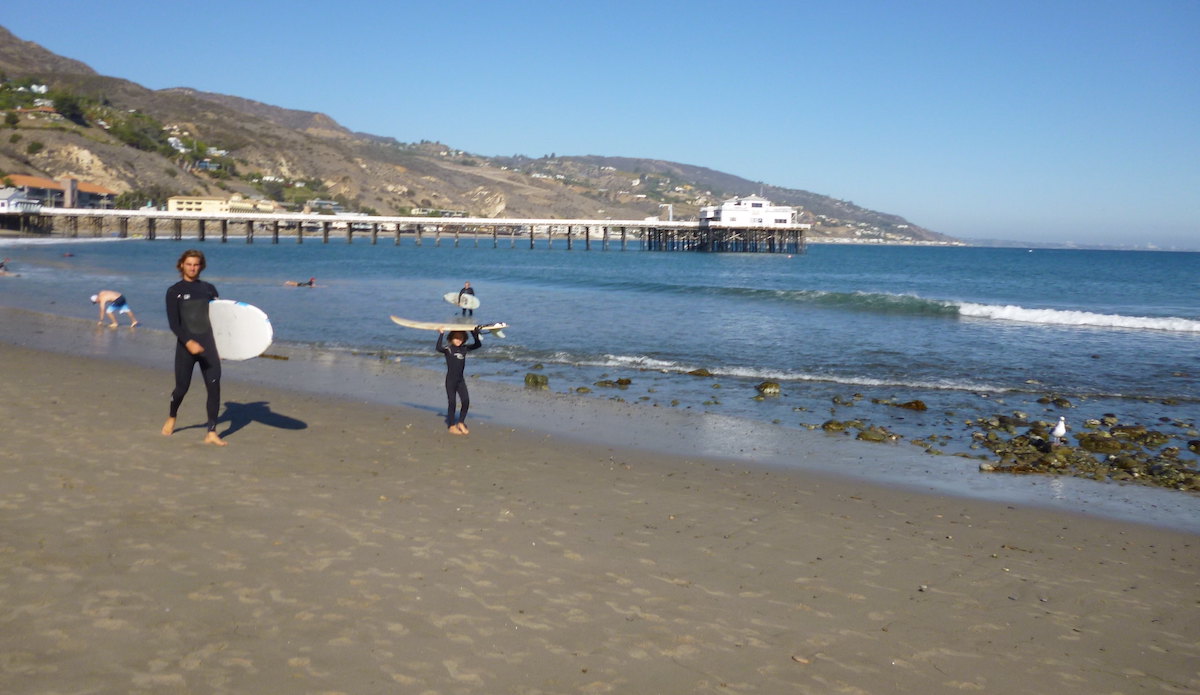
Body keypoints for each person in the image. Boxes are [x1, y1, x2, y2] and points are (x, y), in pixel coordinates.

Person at [162, 249, 226, 446]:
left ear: (201, 266)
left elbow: (219, 320)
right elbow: (174, 323)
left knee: (214, 387)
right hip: (186, 347)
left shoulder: (209, 289)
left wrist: (224, 347)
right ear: (182, 265)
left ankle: (212, 431)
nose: (192, 268)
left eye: (196, 264)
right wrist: (188, 342)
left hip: (209, 346)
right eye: (189, 264)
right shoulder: (174, 291)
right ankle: (172, 415)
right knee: (182, 388)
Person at [436, 327, 482, 435]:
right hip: (450, 381)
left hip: (460, 380)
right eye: (456, 338)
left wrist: (474, 333)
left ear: (464, 339)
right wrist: (441, 334)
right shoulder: (448, 349)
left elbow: (478, 345)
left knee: (466, 401)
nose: (458, 340)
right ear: (451, 338)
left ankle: (460, 422)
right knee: (452, 403)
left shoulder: (464, 349)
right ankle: (451, 426)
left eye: (461, 338)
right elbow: (438, 348)